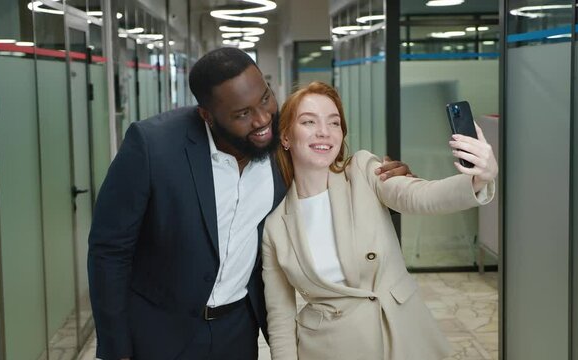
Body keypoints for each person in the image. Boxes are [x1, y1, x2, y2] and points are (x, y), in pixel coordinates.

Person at [87, 48, 412, 360]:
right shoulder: (152, 146)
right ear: (207, 116)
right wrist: (117, 347)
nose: (262, 120)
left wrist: (384, 187)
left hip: (238, 331)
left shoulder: (282, 139)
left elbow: (332, 182)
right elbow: (110, 249)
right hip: (158, 332)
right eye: (243, 114)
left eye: (266, 99)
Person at [262, 82, 498, 360]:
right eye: (309, 122)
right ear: (286, 137)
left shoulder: (362, 171)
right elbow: (280, 317)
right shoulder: (276, 226)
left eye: (334, 122)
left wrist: (478, 179)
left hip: (401, 335)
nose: (324, 131)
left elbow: (419, 195)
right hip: (330, 348)